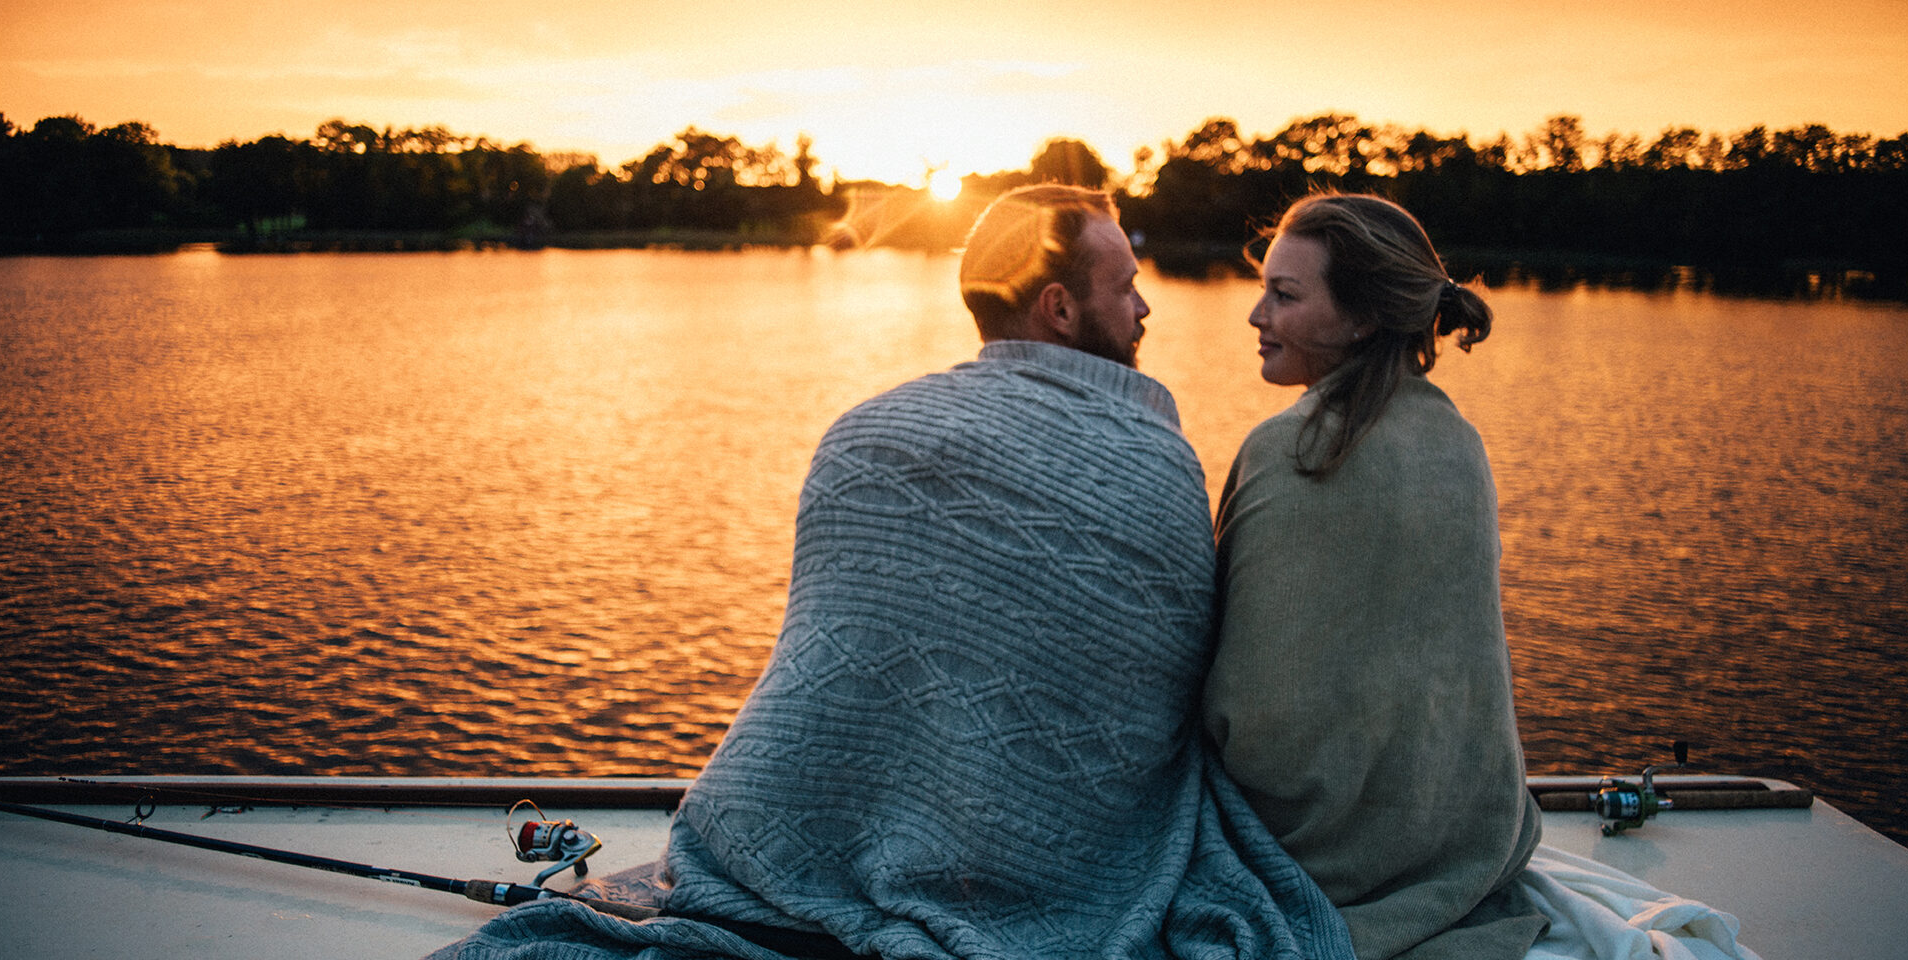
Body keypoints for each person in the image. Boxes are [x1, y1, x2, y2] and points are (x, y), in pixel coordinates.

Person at [430, 185, 1354, 960]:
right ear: (1060, 309)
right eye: (1128, 287)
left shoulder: (865, 429)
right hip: (1053, 871)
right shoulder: (1153, 461)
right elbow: (1179, 683)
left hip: (779, 838)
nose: (1146, 308)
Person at [1202, 193, 1547, 960]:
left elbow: (1249, 711)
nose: (1256, 314)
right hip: (1452, 832)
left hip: (1309, 852)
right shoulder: (1460, 440)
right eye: (1264, 288)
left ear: (1361, 320)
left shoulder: (1286, 449)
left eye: (1284, 295)